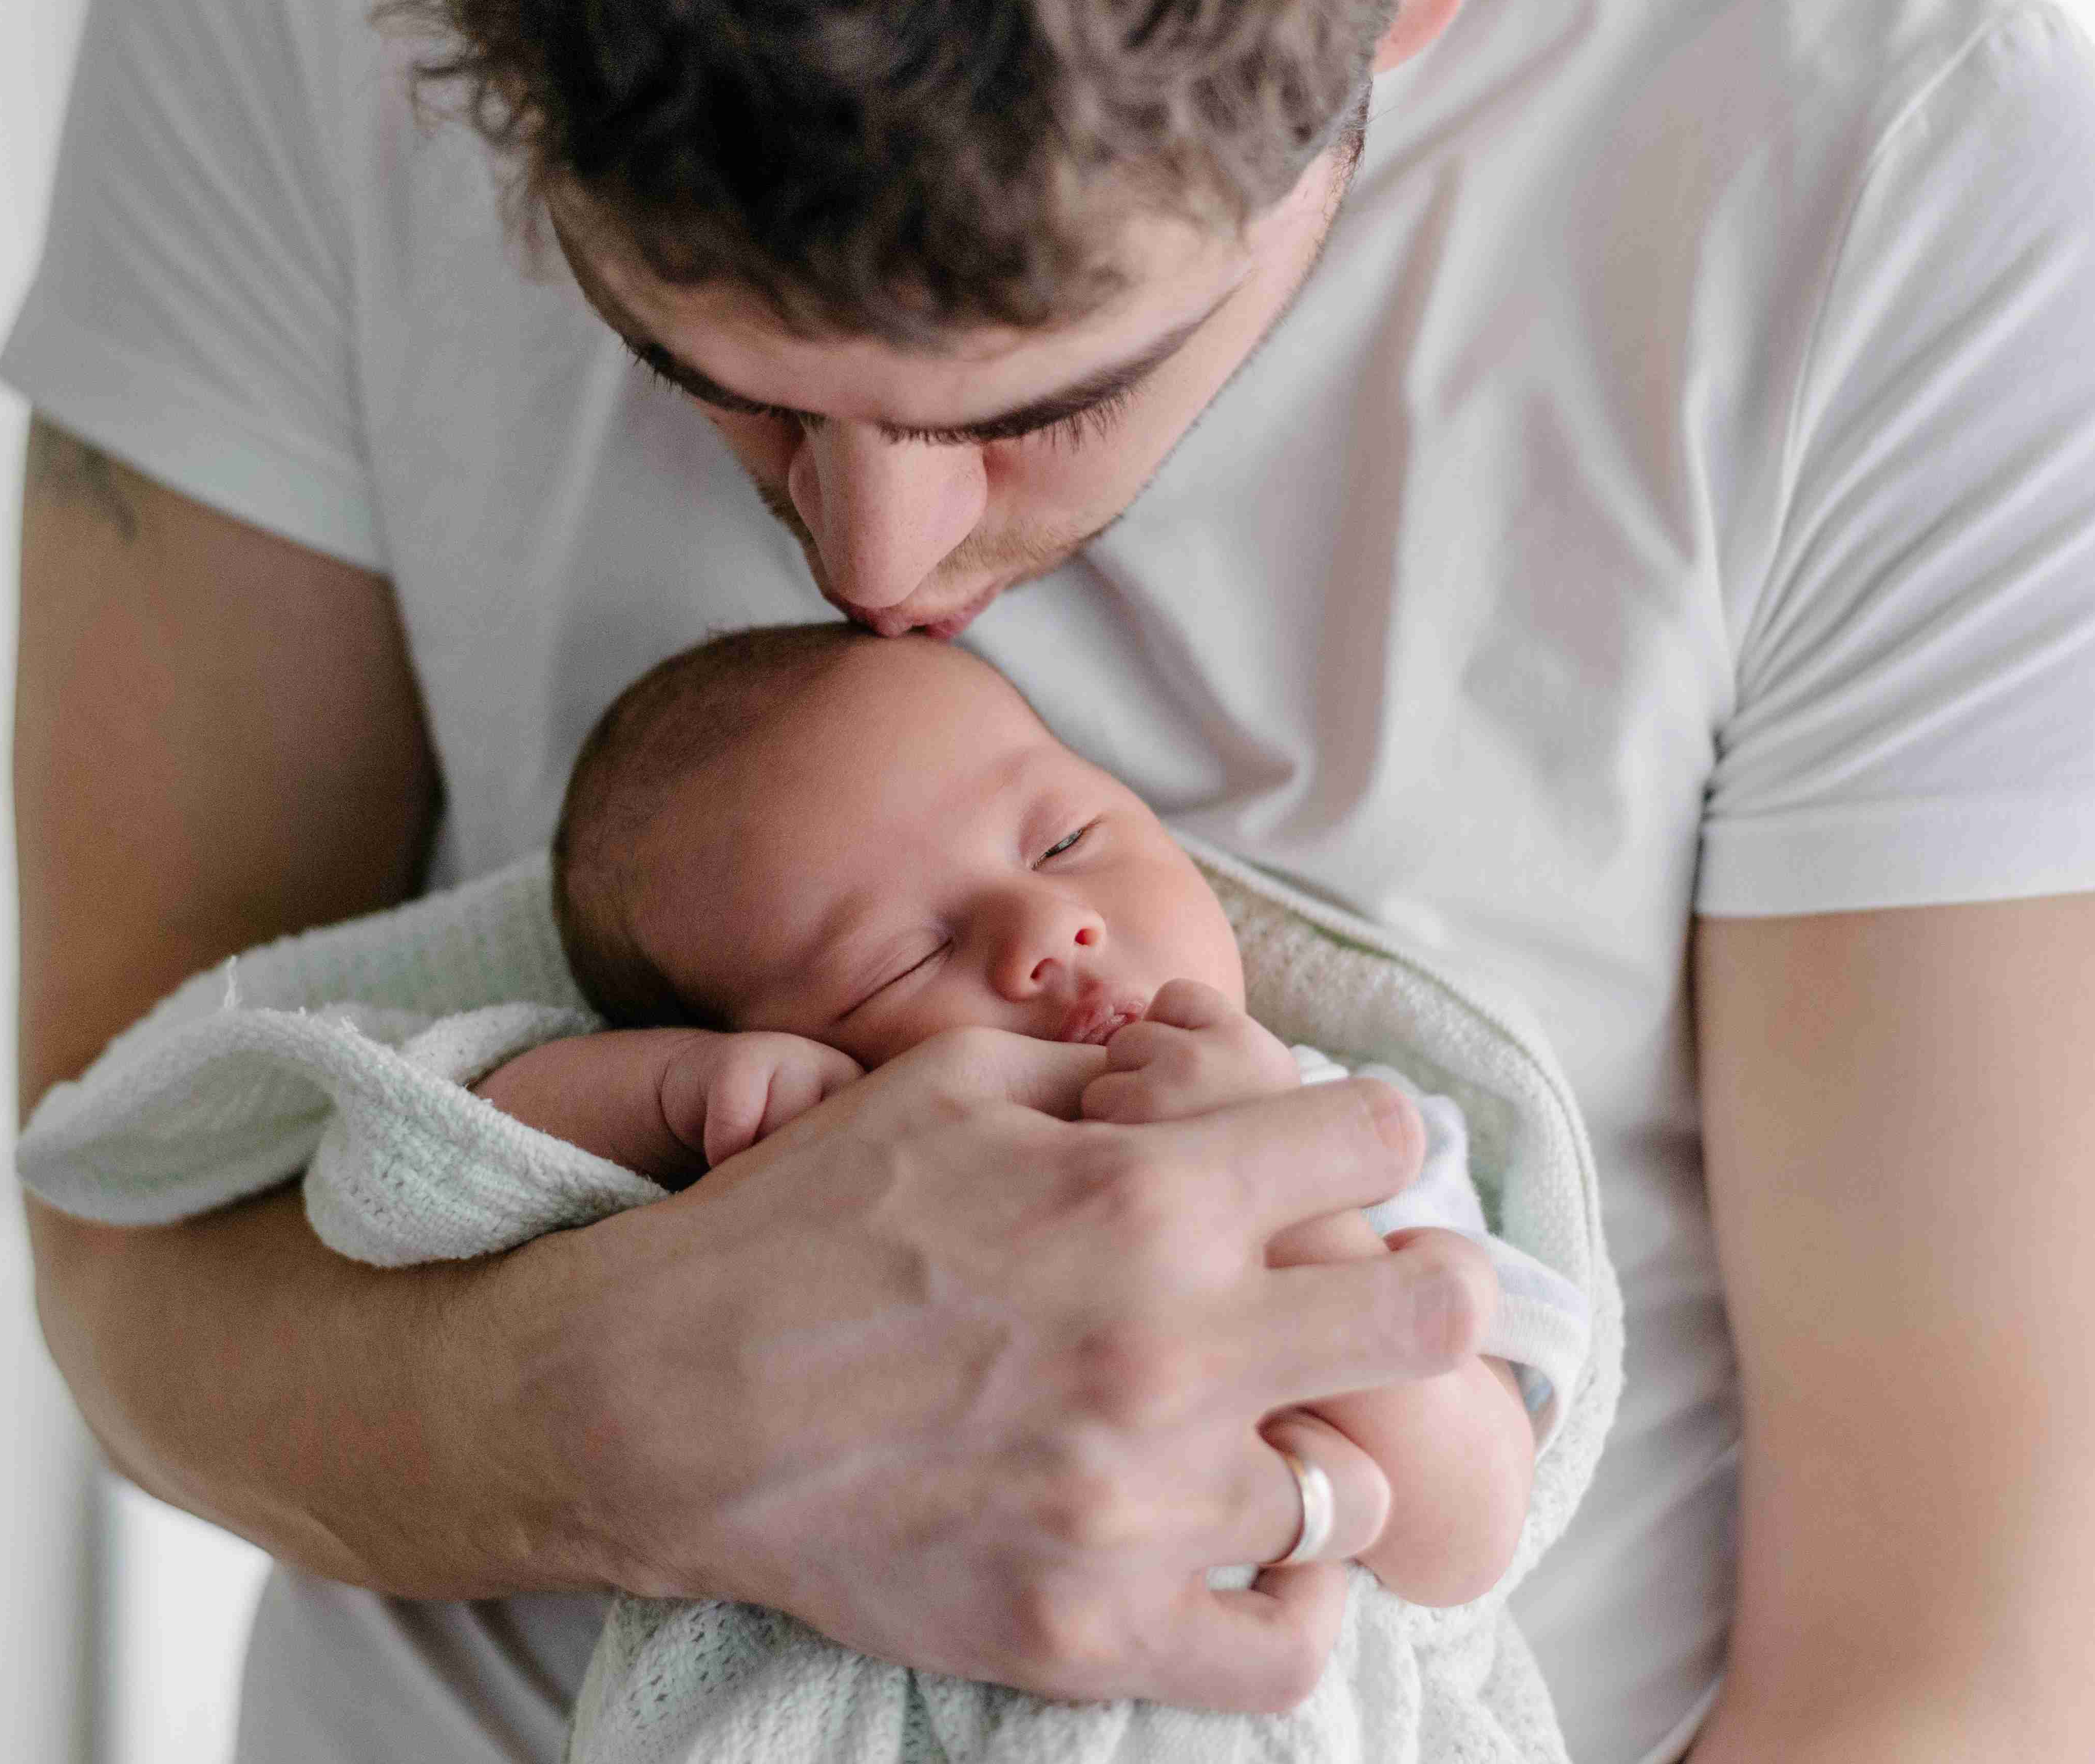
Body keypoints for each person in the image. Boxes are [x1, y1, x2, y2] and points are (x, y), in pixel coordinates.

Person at [2, 0, 2095, 1759]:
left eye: (1056, 393)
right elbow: (131, 1220)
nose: (877, 564)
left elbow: (1943, 1688)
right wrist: (633, 1405)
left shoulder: (1925, 217)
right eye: (699, 367)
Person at [488, 621, 1571, 1616]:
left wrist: (1299, 1213)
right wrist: (682, 1095)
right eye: (901, 960)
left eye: (1063, 842)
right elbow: (466, 1149)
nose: (1049, 926)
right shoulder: (803, 1175)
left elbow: (1471, 1531)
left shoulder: (1358, 1132)